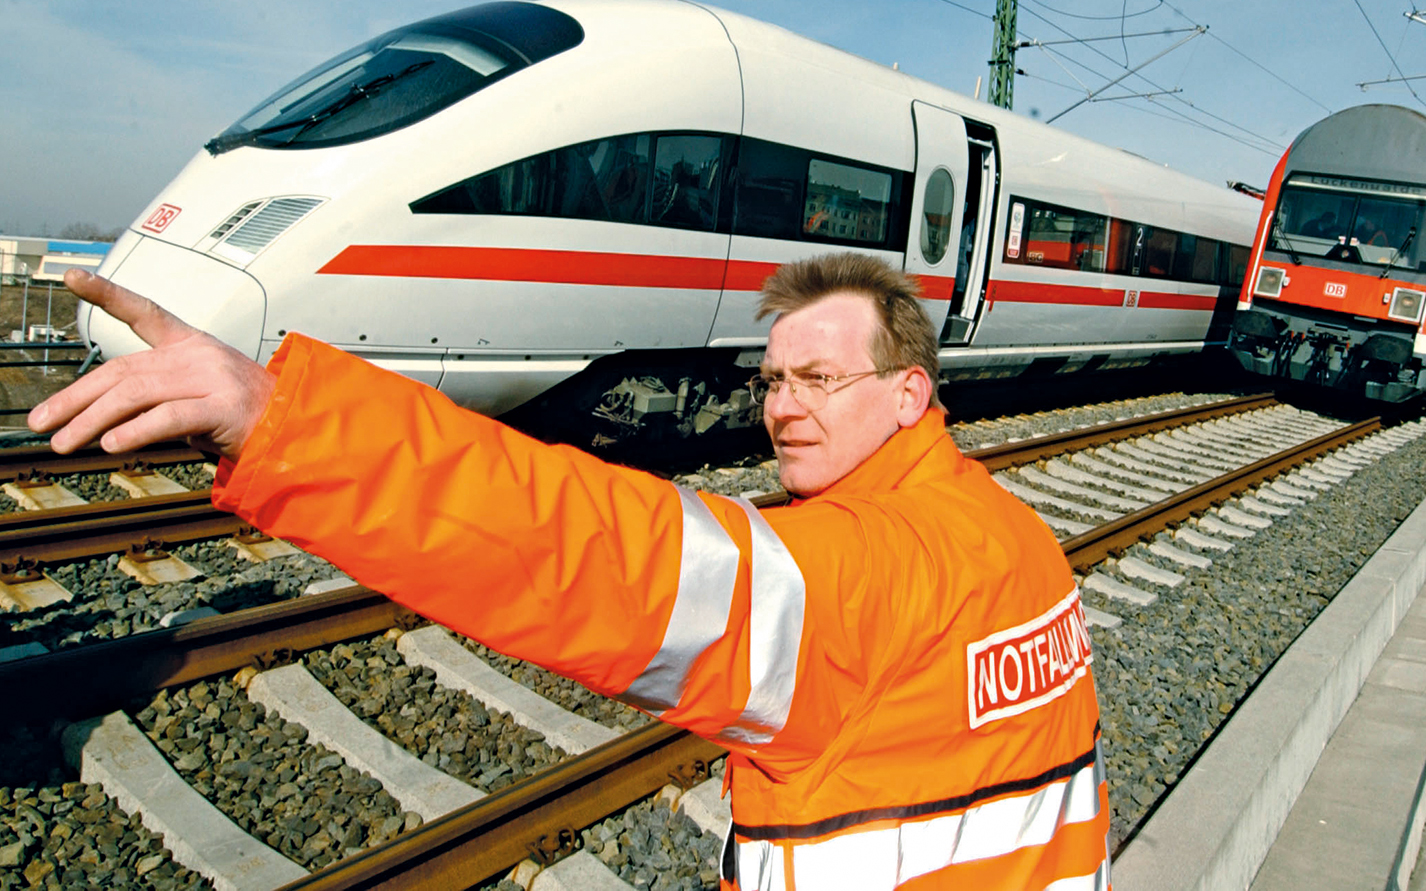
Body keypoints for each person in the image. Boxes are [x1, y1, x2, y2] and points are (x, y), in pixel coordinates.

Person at [31, 255, 1110, 890]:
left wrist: (286, 427)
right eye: (775, 377)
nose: (783, 405)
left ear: (911, 394)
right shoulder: (1007, 534)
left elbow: (597, 552)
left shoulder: (866, 574)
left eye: (822, 377)